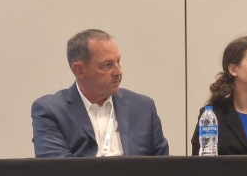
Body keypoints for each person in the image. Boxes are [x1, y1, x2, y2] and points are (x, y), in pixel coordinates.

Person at [31, 29, 170, 158]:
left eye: (118, 62)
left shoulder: (142, 107)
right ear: (79, 70)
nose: (119, 72)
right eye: (107, 65)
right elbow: (57, 170)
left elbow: (162, 168)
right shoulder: (52, 111)